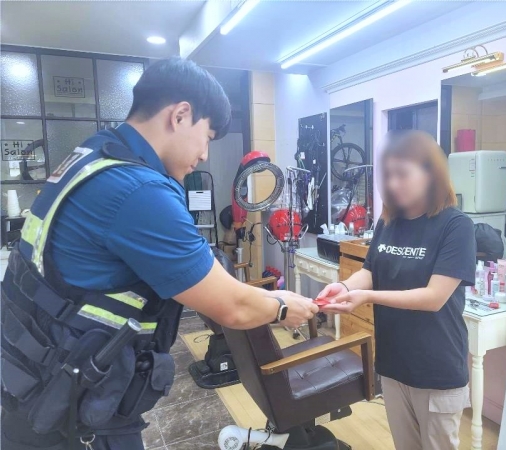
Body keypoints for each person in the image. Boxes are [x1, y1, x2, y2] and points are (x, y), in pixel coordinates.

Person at [1, 57, 318, 450]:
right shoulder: (138, 190)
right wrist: (282, 307)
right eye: (207, 137)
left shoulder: (92, 156)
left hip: (35, 384)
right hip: (72, 414)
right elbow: (233, 307)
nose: (204, 155)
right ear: (180, 115)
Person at [318, 131, 476, 450]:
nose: (392, 183)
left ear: (430, 173)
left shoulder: (455, 226)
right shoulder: (389, 222)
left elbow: (433, 298)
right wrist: (344, 286)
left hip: (436, 369)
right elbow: (370, 272)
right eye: (388, 175)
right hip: (393, 363)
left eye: (402, 174)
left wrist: (367, 297)